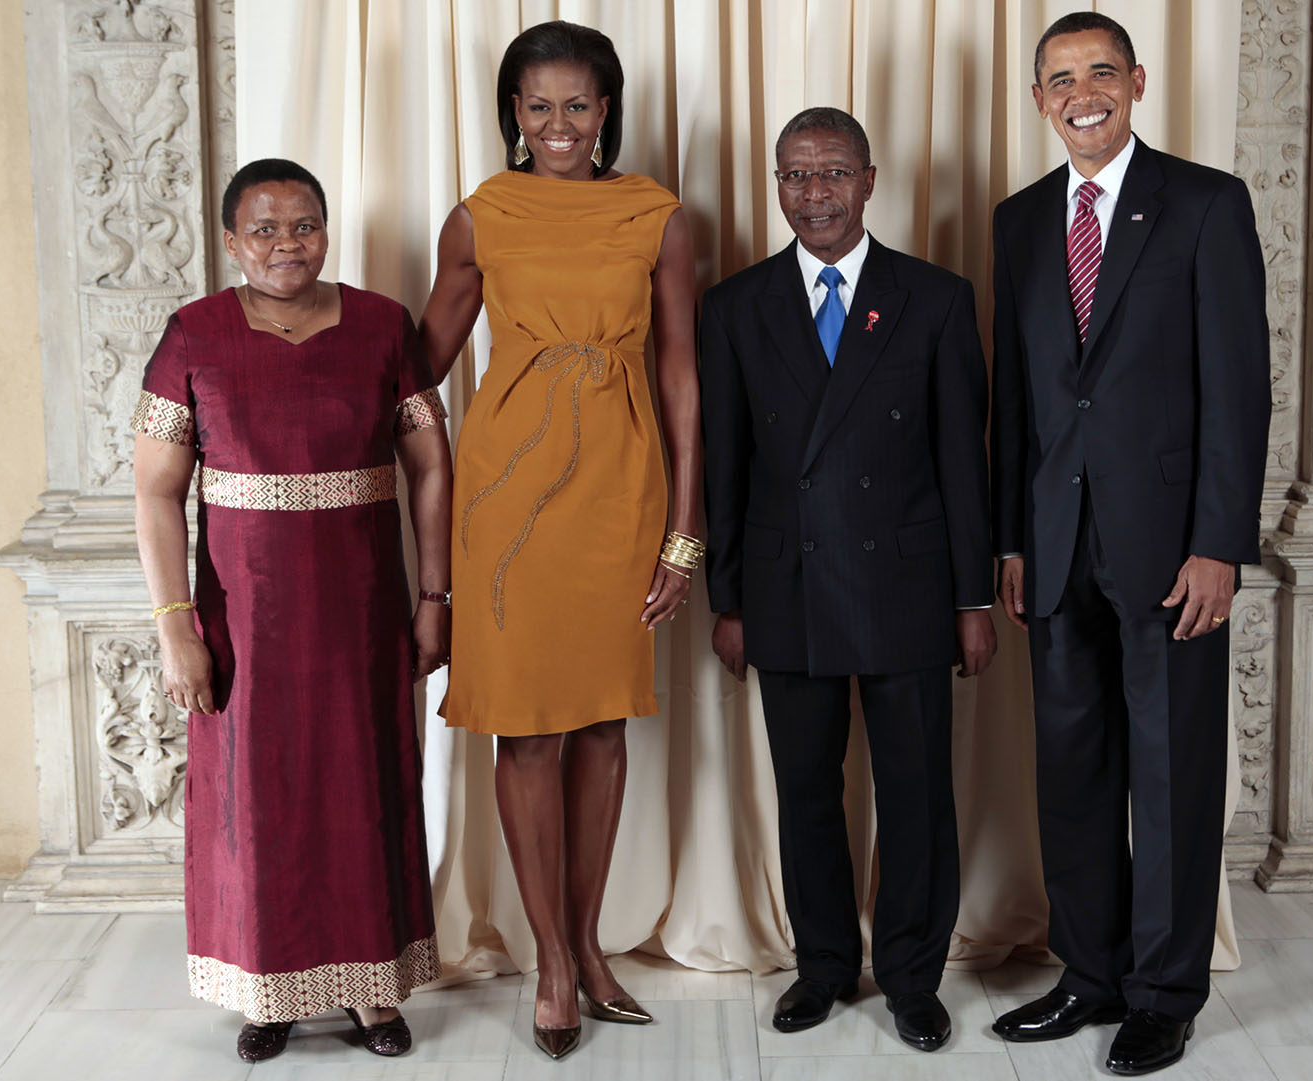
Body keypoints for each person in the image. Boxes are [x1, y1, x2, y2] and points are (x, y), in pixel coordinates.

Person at [987, 12, 1271, 1077]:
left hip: (1171, 554)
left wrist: (1219, 545)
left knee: (1171, 774)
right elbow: (1018, 397)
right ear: (1039, 100)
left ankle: (1164, 992)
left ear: (1138, 82)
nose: (1082, 92)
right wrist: (1013, 537)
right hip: (1055, 548)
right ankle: (1091, 975)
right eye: (1061, 78)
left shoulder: (1204, 204)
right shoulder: (1018, 222)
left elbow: (1239, 393)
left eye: (1101, 71)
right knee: (1071, 772)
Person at [416, 20, 701, 1062]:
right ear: (513, 115)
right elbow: (420, 358)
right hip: (508, 496)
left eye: (578, 105)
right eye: (538, 107)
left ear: (608, 109)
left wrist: (684, 531)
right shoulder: (480, 216)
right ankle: (548, 958)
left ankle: (586, 943)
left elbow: (682, 374)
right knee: (527, 730)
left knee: (601, 727)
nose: (559, 126)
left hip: (621, 489)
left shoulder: (659, 216)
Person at [132, 158, 449, 1063]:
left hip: (360, 619)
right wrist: (174, 626)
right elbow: (156, 494)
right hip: (242, 628)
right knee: (255, 803)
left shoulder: (385, 327)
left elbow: (431, 464)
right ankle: (263, 988)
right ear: (231, 241)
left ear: (326, 229)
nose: (285, 244)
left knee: (366, 787)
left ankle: (372, 987)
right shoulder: (192, 336)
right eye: (263, 229)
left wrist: (435, 596)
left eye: (303, 224)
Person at [699, 107, 995, 1053]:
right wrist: (730, 600)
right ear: (775, 185)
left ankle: (912, 975)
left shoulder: (936, 297)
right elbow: (726, 469)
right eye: (795, 174)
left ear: (870, 181)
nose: (814, 192)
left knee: (916, 794)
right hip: (788, 589)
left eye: (833, 173)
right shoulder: (735, 306)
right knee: (805, 790)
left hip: (908, 586)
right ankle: (824, 966)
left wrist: (973, 600)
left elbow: (965, 462)